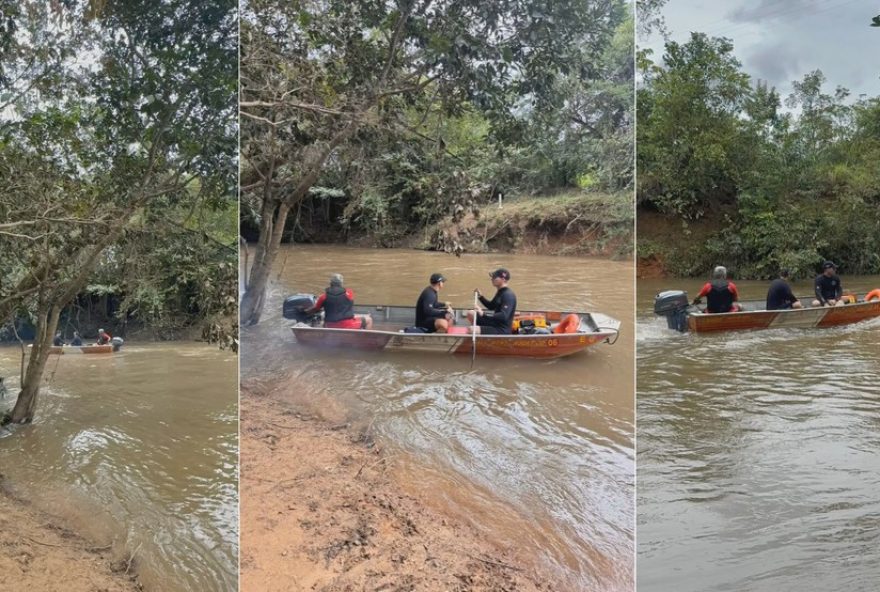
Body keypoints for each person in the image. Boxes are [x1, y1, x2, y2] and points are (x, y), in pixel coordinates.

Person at [306, 273, 373, 329]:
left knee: (322, 317)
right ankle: (365, 340)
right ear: (341, 283)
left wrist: (305, 311)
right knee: (369, 320)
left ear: (330, 284)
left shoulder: (323, 297)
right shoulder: (349, 293)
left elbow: (315, 309)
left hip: (330, 326)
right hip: (348, 325)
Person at [466, 268, 517, 334]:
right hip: (493, 323)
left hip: (501, 329)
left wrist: (484, 314)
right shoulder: (500, 292)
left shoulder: (508, 295)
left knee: (471, 329)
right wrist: (481, 297)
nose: (492, 279)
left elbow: (503, 316)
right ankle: (480, 334)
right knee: (470, 313)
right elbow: (491, 306)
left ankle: (477, 332)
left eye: (495, 277)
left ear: (503, 280)